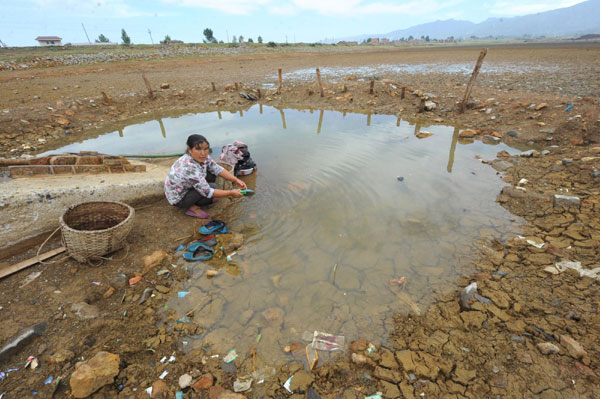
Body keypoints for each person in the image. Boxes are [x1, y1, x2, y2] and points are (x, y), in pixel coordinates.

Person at [165, 134, 247, 218]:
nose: (203, 153)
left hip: (188, 185)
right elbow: (208, 191)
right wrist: (231, 193)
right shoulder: (188, 167)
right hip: (179, 197)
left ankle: (202, 196)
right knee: (212, 187)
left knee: (212, 174)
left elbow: (217, 168)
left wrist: (235, 180)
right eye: (198, 149)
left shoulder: (204, 157)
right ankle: (191, 207)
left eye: (205, 149)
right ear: (189, 149)